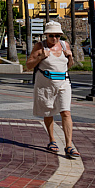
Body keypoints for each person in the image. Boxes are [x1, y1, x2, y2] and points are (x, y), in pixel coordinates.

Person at [25, 20, 79, 159]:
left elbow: (69, 66)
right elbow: (29, 65)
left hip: (63, 83)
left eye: (57, 35)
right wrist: (41, 57)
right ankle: (52, 140)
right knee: (48, 111)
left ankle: (69, 145)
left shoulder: (64, 45)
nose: (54, 38)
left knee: (66, 112)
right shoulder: (40, 46)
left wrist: (70, 57)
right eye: (51, 36)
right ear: (46, 35)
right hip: (45, 83)